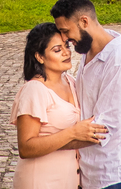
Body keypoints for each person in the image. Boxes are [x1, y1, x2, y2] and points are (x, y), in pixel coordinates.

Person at [51, 0, 121, 189]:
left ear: (84, 21)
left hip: (110, 176)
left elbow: (102, 130)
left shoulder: (118, 61)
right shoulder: (89, 52)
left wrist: (46, 144)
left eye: (65, 31)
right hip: (88, 172)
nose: (64, 38)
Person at [11, 22, 108, 189]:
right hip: (39, 181)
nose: (66, 53)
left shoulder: (71, 82)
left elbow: (90, 121)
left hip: (68, 180)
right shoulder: (35, 90)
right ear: (39, 57)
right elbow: (25, 148)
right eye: (57, 50)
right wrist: (72, 132)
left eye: (66, 46)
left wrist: (120, 128)